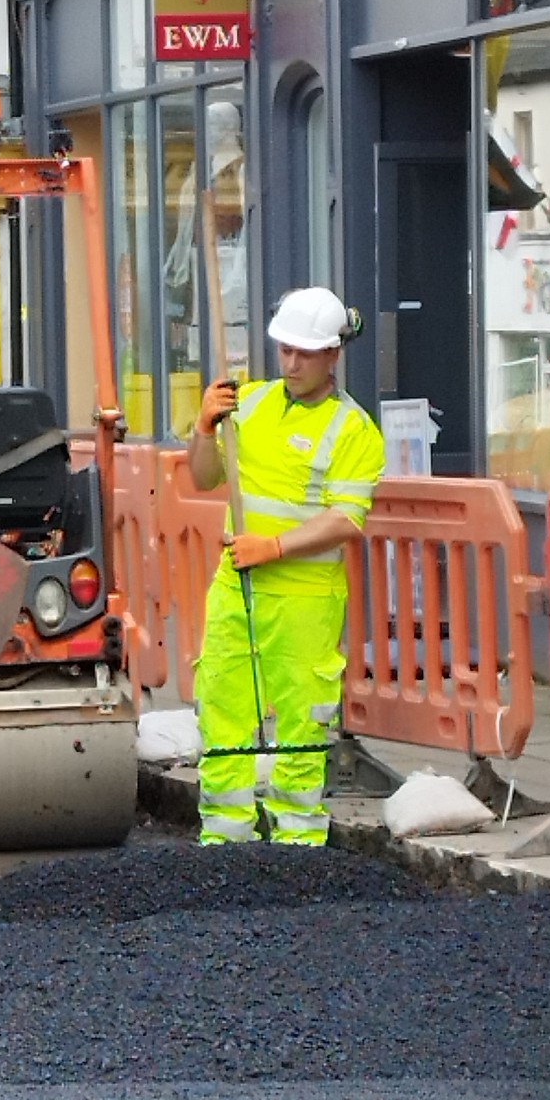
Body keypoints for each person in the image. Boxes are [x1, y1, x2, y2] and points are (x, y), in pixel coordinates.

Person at [188, 287, 385, 846]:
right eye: (285, 350)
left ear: (332, 355)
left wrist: (271, 548)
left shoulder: (353, 431)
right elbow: (202, 478)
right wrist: (203, 429)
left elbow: (347, 520)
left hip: (304, 600)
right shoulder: (245, 405)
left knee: (300, 732)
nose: (292, 363)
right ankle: (225, 846)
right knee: (223, 719)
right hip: (238, 589)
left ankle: (298, 853)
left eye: (305, 352)